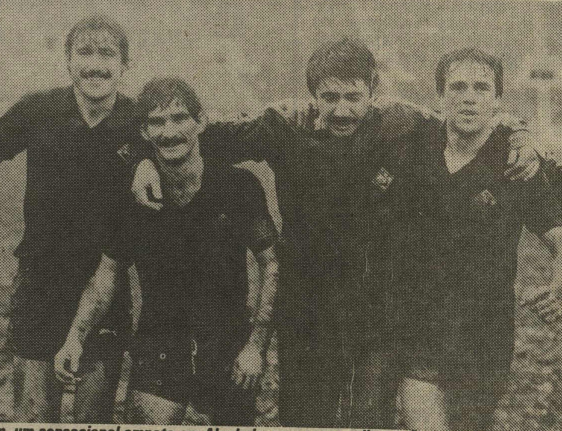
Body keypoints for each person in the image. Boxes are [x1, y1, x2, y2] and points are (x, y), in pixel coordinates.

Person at [130, 39, 540, 428]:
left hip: (377, 310)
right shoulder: (284, 127)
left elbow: (471, 120)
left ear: (373, 91)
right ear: (312, 96)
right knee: (305, 417)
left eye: (353, 97)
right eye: (329, 97)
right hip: (307, 307)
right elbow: (197, 136)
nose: (342, 110)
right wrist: (143, 160)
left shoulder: (401, 124)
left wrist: (520, 134)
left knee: (369, 417)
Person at [55, 77, 279, 426]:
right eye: (157, 122)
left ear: (201, 122)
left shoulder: (237, 186)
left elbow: (272, 264)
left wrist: (256, 346)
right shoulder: (132, 197)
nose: (169, 132)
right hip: (159, 340)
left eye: (179, 118)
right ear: (144, 133)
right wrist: (74, 338)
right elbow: (106, 275)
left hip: (226, 342)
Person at [388, 48, 562, 431]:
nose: (469, 97)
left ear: (497, 100)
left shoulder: (517, 164)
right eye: (458, 87)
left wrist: (556, 283)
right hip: (420, 324)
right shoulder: (413, 148)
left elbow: (557, 235)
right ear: (440, 96)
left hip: (484, 331)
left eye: (481, 88)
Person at [0, 15, 139, 422]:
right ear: (68, 60)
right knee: (32, 414)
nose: (95, 65)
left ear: (124, 64)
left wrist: (148, 163)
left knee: (93, 415)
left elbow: (187, 145)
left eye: (107, 54)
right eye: (85, 52)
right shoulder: (39, 109)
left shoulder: (137, 120)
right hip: (40, 281)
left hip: (105, 284)